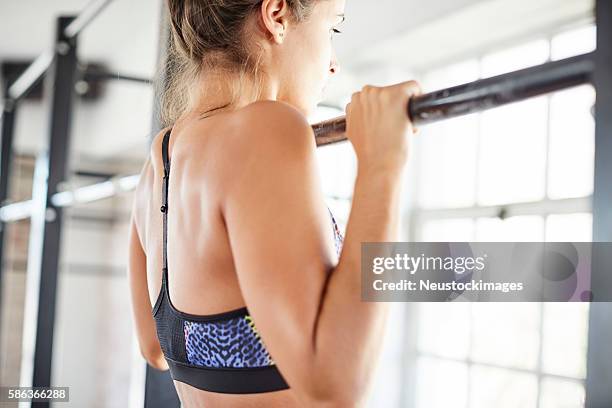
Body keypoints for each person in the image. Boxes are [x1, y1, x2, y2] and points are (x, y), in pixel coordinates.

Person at [127, 0, 421, 406]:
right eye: (331, 29)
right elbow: (336, 382)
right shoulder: (266, 128)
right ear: (277, 15)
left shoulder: (159, 160)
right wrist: (381, 165)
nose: (333, 64)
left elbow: (155, 348)